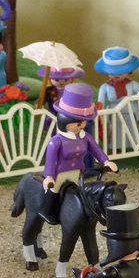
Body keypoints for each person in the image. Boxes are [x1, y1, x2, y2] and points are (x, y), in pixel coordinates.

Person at [39, 82, 117, 225]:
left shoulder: (85, 137)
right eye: (78, 124)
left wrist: (106, 161)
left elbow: (96, 149)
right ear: (64, 121)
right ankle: (46, 211)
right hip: (60, 173)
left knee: (78, 193)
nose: (82, 126)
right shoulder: (56, 141)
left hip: (77, 172)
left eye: (84, 123)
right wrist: (49, 176)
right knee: (55, 190)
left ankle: (72, 213)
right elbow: (50, 160)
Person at [94, 47, 139, 151]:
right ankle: (115, 146)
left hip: (130, 111)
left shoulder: (134, 85)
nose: (116, 75)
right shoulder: (105, 87)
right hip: (114, 112)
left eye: (121, 72)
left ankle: (133, 144)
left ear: (128, 70)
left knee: (132, 129)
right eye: (112, 71)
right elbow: (100, 103)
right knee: (115, 129)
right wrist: (100, 113)